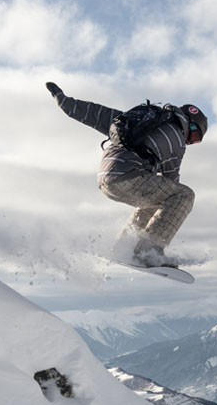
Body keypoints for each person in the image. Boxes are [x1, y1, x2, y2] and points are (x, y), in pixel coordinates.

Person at [45, 82, 207, 268]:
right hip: (130, 176)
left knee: (156, 198)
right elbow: (171, 182)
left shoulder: (141, 119)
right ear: (190, 125)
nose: (189, 142)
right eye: (194, 137)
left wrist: (64, 101)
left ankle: (123, 247)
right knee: (184, 195)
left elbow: (97, 114)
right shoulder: (177, 137)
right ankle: (149, 252)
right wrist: (172, 219)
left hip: (106, 177)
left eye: (194, 141)